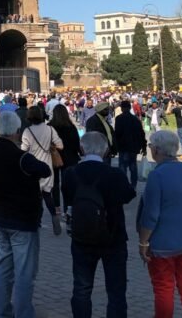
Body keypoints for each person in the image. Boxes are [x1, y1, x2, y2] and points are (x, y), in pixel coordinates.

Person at [0, 112, 51, 318]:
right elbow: (45, 170)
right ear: (16, 131)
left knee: (3, 269)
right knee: (24, 273)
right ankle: (23, 313)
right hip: (22, 219)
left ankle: (3, 312)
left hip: (0, 215)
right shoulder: (21, 157)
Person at [62, 132, 136, 318]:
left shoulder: (71, 173)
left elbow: (68, 200)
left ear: (82, 149)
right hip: (114, 237)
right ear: (105, 151)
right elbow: (128, 196)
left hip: (82, 236)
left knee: (81, 289)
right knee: (116, 291)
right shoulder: (114, 174)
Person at [139, 130, 182, 317]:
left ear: (156, 150)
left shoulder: (157, 176)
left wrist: (143, 242)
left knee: (163, 288)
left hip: (162, 244)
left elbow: (151, 214)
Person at [21, 105, 64, 235]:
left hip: (33, 166)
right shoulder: (50, 129)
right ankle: (54, 216)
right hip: (47, 165)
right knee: (47, 194)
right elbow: (60, 145)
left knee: (36, 196)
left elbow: (23, 149)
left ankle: (37, 221)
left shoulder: (27, 131)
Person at [49, 104, 81, 215]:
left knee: (55, 183)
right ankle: (68, 207)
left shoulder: (50, 127)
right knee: (68, 184)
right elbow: (76, 143)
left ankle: (57, 208)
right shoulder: (71, 127)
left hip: (54, 158)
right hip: (70, 158)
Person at [113, 100, 147, 188]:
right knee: (133, 166)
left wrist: (114, 146)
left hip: (123, 146)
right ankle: (133, 185)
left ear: (122, 108)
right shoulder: (135, 119)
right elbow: (141, 133)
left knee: (122, 166)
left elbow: (117, 133)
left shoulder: (119, 119)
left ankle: (123, 184)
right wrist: (144, 147)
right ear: (129, 107)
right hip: (134, 147)